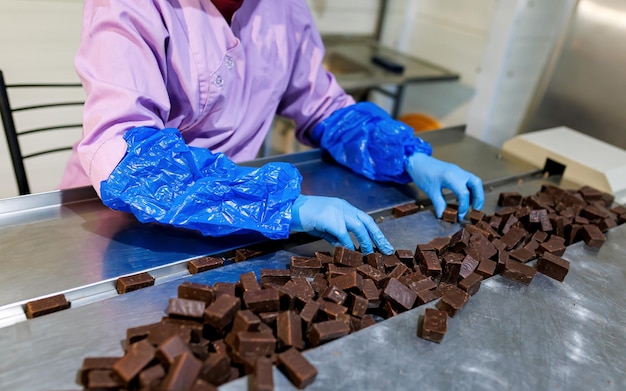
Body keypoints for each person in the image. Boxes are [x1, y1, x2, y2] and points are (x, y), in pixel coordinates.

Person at [60, 0, 484, 255]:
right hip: (121, 219)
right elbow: (126, 156)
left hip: (240, 216)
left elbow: (323, 106)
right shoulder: (131, 6)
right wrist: (281, 205)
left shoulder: (284, 8)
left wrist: (407, 156)